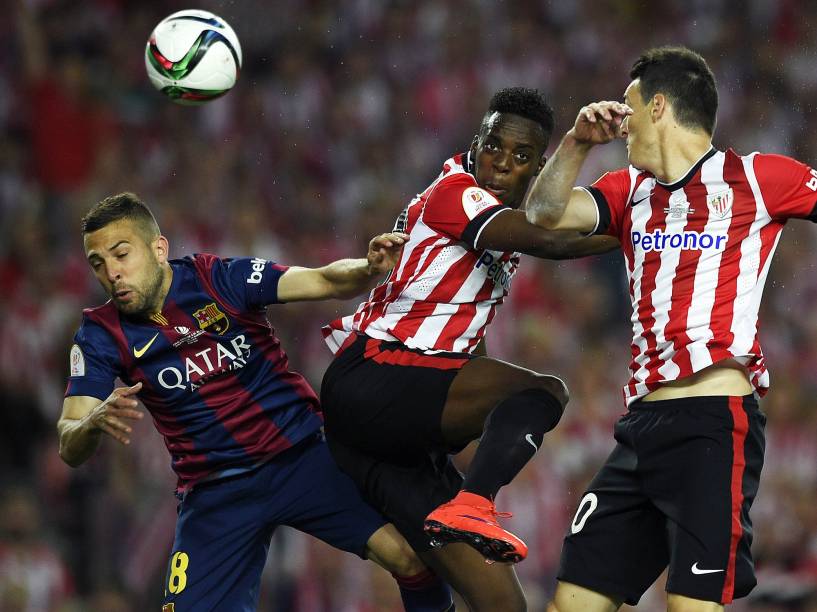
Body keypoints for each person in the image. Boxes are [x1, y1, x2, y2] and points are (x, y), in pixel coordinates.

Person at [57, 193, 455, 611]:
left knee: (409, 557)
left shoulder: (217, 278)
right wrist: (91, 422)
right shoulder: (100, 333)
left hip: (300, 457)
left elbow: (324, 280)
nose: (112, 273)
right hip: (215, 493)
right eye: (98, 264)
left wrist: (368, 267)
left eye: (121, 254)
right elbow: (69, 443)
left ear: (159, 248)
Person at [524, 46, 817, 611]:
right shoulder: (626, 189)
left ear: (657, 105)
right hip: (640, 428)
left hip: (712, 424)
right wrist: (577, 142)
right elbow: (543, 215)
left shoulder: (757, 177)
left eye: (628, 103)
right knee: (571, 604)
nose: (619, 116)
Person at [319, 87, 618, 611]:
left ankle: (464, 506)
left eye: (521, 157)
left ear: (538, 168)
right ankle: (475, 504)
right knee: (543, 393)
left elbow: (463, 344)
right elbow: (547, 240)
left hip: (392, 446)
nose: (501, 164)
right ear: (475, 141)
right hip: (371, 377)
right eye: (493, 145)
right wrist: (641, 228)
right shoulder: (455, 190)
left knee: (504, 604)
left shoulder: (495, 210)